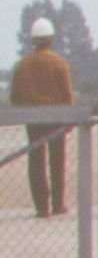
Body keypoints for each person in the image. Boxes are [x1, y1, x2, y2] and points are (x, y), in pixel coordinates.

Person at [10, 18, 74, 218]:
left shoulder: (22, 65)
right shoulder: (59, 63)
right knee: (57, 160)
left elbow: (15, 97)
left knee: (36, 160)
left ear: (32, 39)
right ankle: (57, 204)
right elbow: (67, 95)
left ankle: (41, 206)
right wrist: (68, 117)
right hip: (56, 117)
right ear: (51, 39)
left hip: (33, 118)